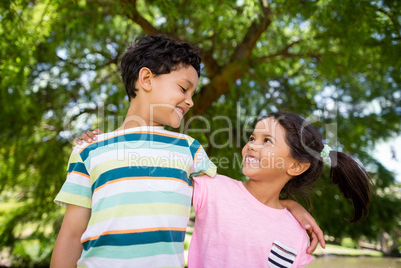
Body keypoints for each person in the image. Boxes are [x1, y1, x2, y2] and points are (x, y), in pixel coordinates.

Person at [50, 35, 218, 268]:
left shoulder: (190, 149)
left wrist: (283, 203)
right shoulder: (89, 150)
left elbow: (228, 203)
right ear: (146, 79)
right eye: (183, 88)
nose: (190, 102)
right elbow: (70, 235)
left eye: (192, 94)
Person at [188, 112, 372, 268]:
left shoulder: (297, 233)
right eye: (252, 138)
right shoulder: (212, 187)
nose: (251, 145)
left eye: (267, 140)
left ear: (296, 167)